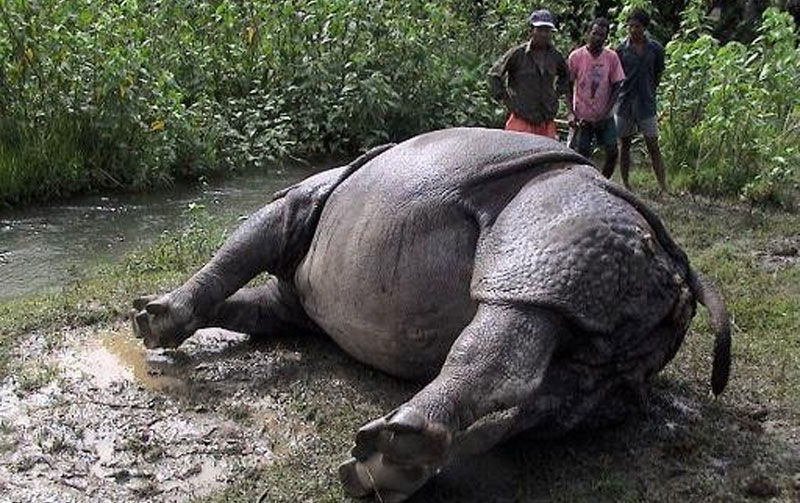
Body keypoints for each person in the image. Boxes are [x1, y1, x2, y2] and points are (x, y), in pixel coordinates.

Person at [488, 9, 572, 139]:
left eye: (547, 30)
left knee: (547, 157)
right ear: (531, 31)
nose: (544, 34)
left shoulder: (556, 57)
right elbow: (494, 75)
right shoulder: (517, 54)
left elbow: (566, 76)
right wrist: (507, 101)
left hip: (546, 119)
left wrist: (555, 95)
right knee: (518, 155)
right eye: (540, 30)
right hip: (522, 119)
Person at [615, 9, 668, 192]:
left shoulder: (655, 49)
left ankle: (663, 186)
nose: (633, 30)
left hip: (646, 102)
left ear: (644, 27)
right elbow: (616, 76)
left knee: (653, 144)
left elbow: (658, 73)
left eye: (637, 27)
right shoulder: (621, 49)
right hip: (625, 102)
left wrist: (650, 91)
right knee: (624, 145)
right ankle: (625, 184)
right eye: (630, 27)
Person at [567, 17, 625, 178]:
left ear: (606, 37)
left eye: (602, 35)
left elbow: (617, 86)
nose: (597, 38)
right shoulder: (576, 57)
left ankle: (603, 181)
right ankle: (581, 182)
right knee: (582, 153)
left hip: (604, 115)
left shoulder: (611, 57)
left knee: (612, 151)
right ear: (588, 33)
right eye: (595, 34)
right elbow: (567, 85)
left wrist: (607, 112)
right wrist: (571, 112)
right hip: (582, 116)